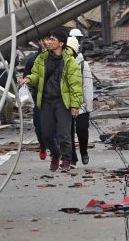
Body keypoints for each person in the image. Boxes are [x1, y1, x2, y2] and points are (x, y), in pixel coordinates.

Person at [22, 27, 83, 172]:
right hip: (45, 102)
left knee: (64, 134)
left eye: (52, 39)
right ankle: (55, 154)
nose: (48, 42)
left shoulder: (70, 62)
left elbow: (76, 85)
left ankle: (66, 160)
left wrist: (75, 105)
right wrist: (29, 79)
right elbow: (36, 75)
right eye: (49, 39)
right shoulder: (41, 58)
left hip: (62, 102)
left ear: (61, 43)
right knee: (46, 134)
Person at [67, 32, 95, 166]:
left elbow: (88, 86)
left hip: (81, 104)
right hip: (66, 104)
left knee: (81, 130)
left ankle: (84, 151)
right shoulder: (61, 62)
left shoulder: (83, 64)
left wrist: (88, 106)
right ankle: (72, 157)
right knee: (67, 133)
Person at [23, 39, 49, 160]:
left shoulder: (58, 57)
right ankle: (42, 145)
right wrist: (29, 80)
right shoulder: (33, 59)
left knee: (56, 125)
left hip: (55, 97)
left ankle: (56, 151)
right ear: (40, 42)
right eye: (44, 40)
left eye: (49, 39)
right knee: (38, 125)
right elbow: (27, 76)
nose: (47, 42)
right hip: (38, 96)